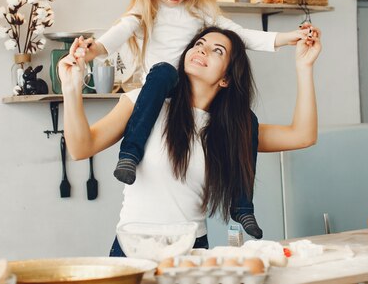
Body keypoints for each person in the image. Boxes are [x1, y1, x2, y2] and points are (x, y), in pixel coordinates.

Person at [77, 0, 313, 238]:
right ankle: (130, 154)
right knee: (161, 73)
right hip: (159, 89)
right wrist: (93, 52)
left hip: (192, 245)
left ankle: (242, 207)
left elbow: (240, 35)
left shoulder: (202, 15)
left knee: (249, 120)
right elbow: (117, 35)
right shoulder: (145, 14)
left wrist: (286, 40)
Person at [58, 25, 321, 255]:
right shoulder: (146, 102)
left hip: (192, 252)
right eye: (199, 44)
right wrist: (71, 89)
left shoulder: (232, 129)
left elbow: (303, 136)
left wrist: (304, 67)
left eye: (218, 51)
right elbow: (82, 148)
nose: (202, 51)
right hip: (133, 250)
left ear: (227, 78)